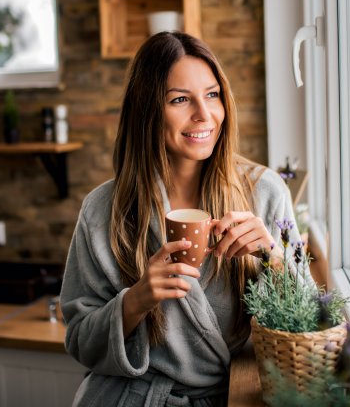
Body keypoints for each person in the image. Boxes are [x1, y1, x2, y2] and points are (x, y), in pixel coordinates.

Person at [60, 32, 302, 406]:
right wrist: (136, 300)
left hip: (231, 396)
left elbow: (308, 322)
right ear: (147, 109)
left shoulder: (265, 193)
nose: (204, 116)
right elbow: (80, 341)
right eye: (179, 100)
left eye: (212, 94)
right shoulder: (103, 209)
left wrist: (273, 256)